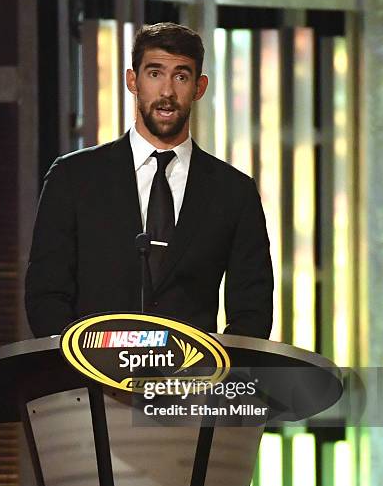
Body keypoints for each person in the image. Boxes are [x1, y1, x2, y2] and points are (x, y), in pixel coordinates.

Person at [25, 22, 273, 340]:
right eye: (155, 74)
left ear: (199, 87)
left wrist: (210, 377)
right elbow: (45, 295)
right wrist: (89, 365)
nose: (167, 92)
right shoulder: (73, 178)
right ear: (133, 81)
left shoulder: (233, 192)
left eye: (181, 76)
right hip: (91, 382)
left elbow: (253, 311)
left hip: (192, 384)